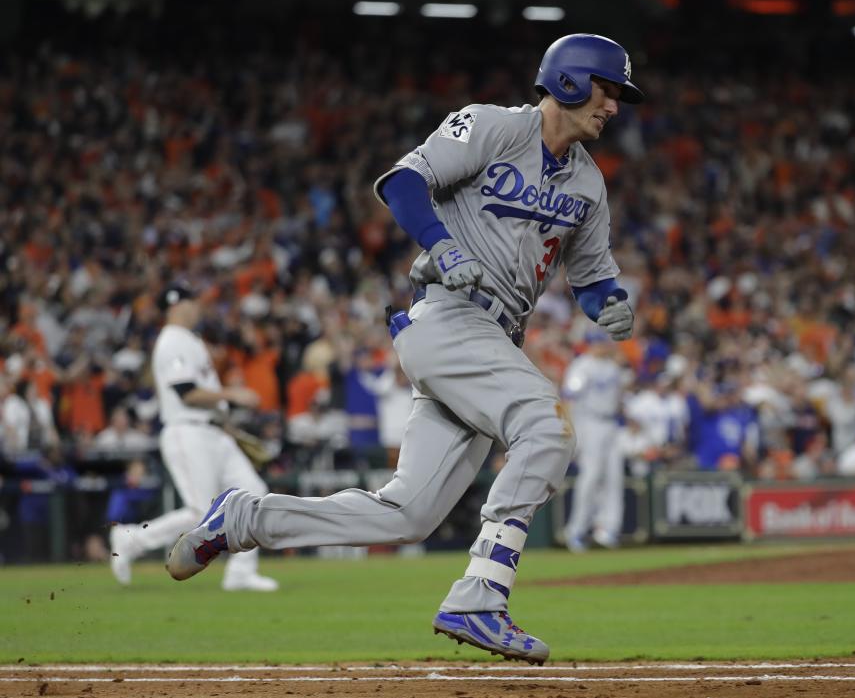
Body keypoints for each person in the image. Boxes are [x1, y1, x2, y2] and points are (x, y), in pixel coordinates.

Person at [166, 34, 641, 664]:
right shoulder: (497, 127)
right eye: (609, 90)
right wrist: (442, 244)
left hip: (493, 339)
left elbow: (591, 275)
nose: (615, 106)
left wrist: (608, 300)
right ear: (573, 81)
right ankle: (481, 595)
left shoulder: (588, 183)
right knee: (546, 426)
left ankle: (244, 519)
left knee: (407, 514)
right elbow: (403, 182)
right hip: (447, 320)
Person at [109, 283, 277, 592]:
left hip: (213, 432)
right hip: (187, 431)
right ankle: (130, 540)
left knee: (254, 494)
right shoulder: (171, 341)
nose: (197, 307)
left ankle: (241, 573)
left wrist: (225, 424)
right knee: (201, 513)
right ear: (177, 305)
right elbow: (186, 393)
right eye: (192, 302)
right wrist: (233, 394)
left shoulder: (190, 340)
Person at [562, 330, 628, 552]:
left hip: (611, 424)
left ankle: (608, 529)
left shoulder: (613, 367)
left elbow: (619, 399)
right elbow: (569, 396)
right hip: (589, 423)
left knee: (614, 477)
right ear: (590, 344)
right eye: (599, 343)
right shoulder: (582, 366)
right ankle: (576, 531)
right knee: (590, 477)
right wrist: (571, 429)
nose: (603, 346)